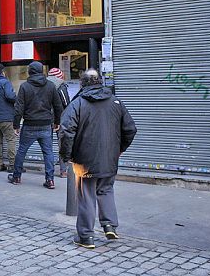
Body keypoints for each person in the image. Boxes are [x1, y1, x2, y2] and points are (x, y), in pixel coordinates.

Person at [59, 69, 137, 249]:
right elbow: (130, 129)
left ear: (82, 84)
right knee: (106, 189)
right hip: (109, 157)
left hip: (84, 158)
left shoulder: (78, 103)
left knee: (86, 194)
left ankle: (86, 236)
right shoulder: (116, 102)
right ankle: (110, 225)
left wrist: (66, 156)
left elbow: (66, 131)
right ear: (100, 82)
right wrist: (119, 149)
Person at [9, 61, 63, 189]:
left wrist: (16, 125)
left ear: (30, 72)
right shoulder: (50, 86)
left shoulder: (25, 86)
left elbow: (18, 108)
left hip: (29, 124)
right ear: (42, 71)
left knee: (21, 151)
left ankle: (16, 177)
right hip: (45, 125)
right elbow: (58, 105)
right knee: (48, 153)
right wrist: (57, 122)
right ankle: (50, 180)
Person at [47, 68, 71, 177]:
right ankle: (63, 170)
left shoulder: (44, 86)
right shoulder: (61, 87)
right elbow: (66, 103)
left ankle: (49, 169)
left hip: (46, 119)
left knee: (47, 145)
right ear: (59, 77)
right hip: (60, 119)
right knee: (62, 145)